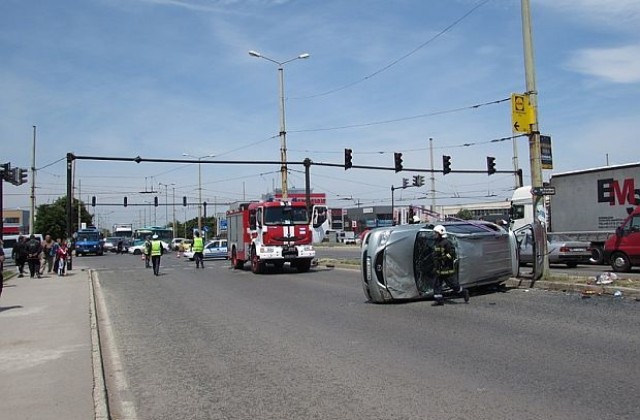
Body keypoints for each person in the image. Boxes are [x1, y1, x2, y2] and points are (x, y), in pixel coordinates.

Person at [432, 225, 469, 306]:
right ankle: (439, 300)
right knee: (436, 283)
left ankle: (464, 292)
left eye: (436, 233)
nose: (434, 235)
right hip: (438, 268)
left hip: (446, 268)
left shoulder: (447, 243)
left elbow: (452, 253)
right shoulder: (437, 242)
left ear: (441, 233)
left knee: (452, 284)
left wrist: (444, 258)